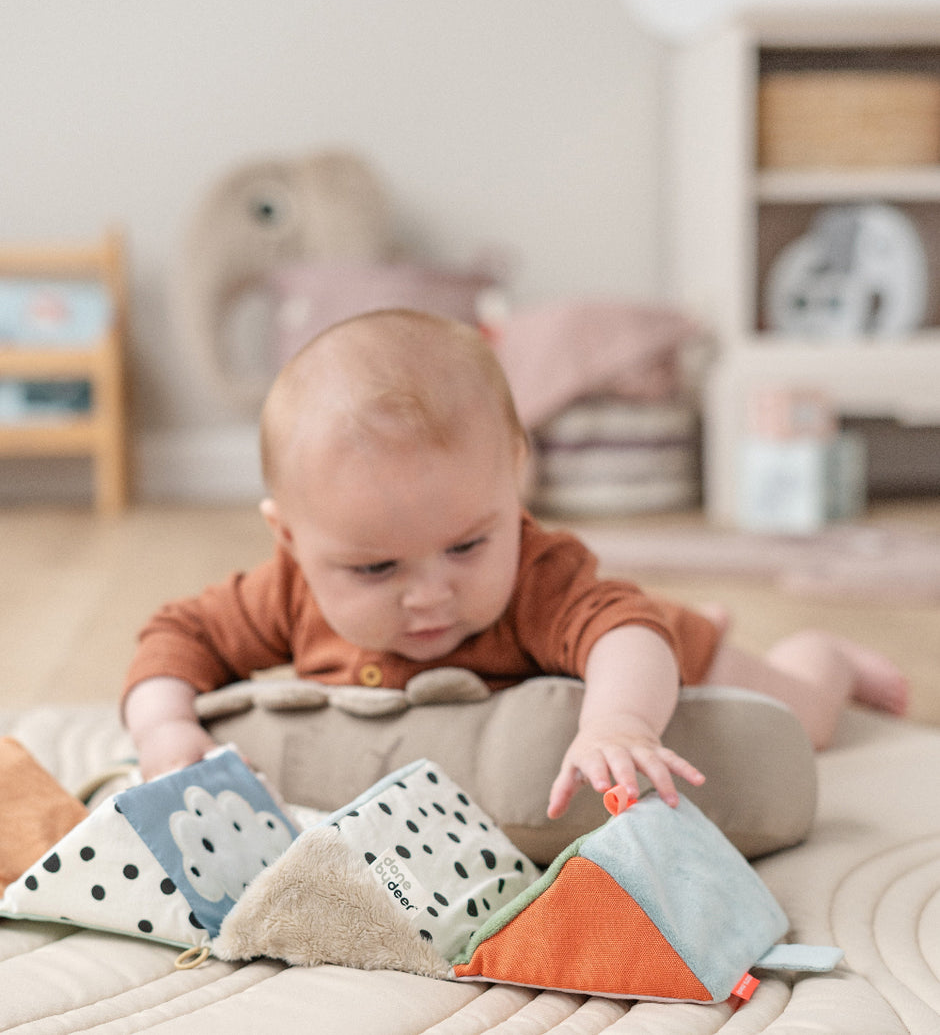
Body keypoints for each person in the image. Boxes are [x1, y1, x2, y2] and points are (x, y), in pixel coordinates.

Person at [123, 309, 908, 816]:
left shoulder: (538, 575)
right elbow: (175, 637)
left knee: (805, 722)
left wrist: (620, 722)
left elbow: (624, 634)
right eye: (376, 570)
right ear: (290, 540)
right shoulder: (285, 591)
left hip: (658, 653)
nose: (431, 594)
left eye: (467, 546)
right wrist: (164, 727)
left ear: (515, 481)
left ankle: (827, 655)